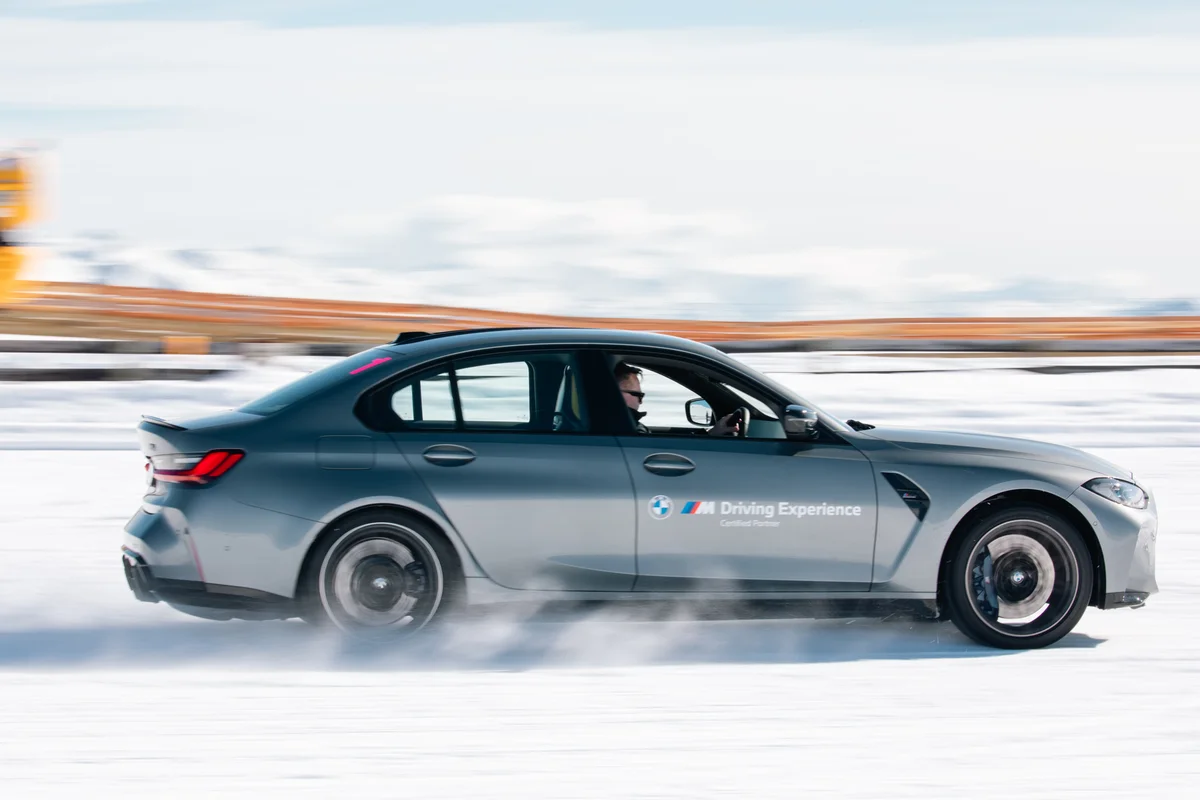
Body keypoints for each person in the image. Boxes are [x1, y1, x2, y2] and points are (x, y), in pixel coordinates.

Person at [615, 362, 741, 436]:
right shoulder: (624, 429)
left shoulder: (620, 426)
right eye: (638, 395)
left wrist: (711, 434)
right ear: (616, 394)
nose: (641, 401)